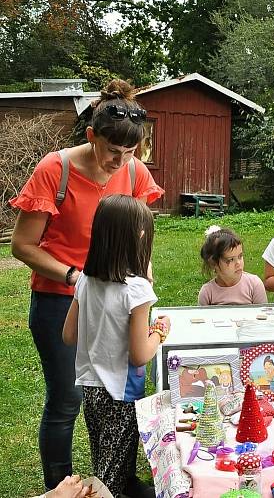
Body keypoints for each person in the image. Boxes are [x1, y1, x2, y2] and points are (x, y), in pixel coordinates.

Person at [10, 79, 164, 489]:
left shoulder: (133, 170)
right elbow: (22, 246)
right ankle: (59, 489)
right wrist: (76, 278)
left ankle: (118, 479)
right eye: (113, 151)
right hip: (61, 297)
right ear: (91, 135)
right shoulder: (54, 170)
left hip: (115, 297)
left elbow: (138, 233)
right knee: (67, 399)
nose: (121, 161)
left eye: (130, 152)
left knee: (116, 394)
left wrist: (142, 268)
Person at [62, 195, 170, 497]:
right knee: (107, 481)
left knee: (107, 458)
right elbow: (139, 355)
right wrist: (159, 333)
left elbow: (69, 335)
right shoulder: (137, 290)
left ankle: (126, 486)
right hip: (120, 395)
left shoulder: (85, 279)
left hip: (91, 388)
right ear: (139, 237)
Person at [198, 226, 267, 305]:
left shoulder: (254, 284)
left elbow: (263, 314)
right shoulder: (207, 292)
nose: (238, 263)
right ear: (213, 263)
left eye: (240, 256)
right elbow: (203, 317)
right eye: (231, 259)